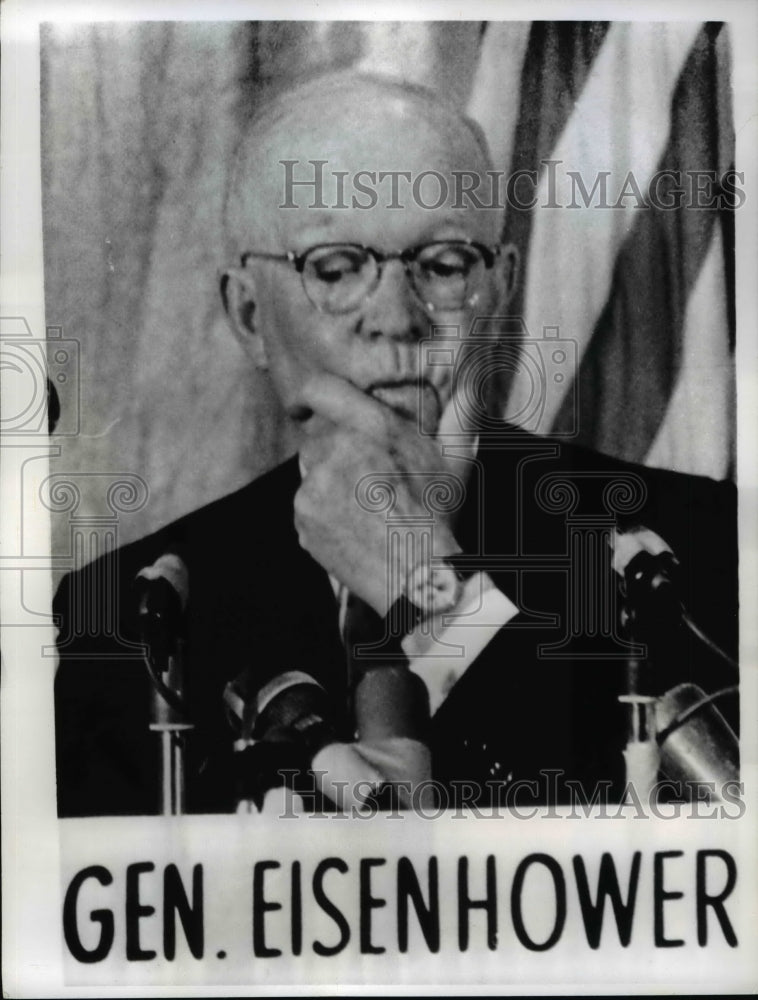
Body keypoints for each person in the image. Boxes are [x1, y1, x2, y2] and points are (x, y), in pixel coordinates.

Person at [54, 71, 738, 817]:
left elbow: (690, 884)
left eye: (443, 266)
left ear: (497, 292)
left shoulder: (701, 546)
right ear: (249, 316)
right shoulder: (131, 619)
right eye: (336, 269)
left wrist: (433, 598)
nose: (395, 316)